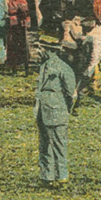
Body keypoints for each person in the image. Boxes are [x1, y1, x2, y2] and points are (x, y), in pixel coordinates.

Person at [34, 40, 77, 187]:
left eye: (42, 49)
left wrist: (65, 109)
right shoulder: (43, 67)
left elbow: (71, 94)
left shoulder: (64, 68)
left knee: (59, 145)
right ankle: (47, 177)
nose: (40, 52)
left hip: (57, 111)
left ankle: (62, 177)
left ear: (49, 50)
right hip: (42, 111)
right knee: (44, 145)